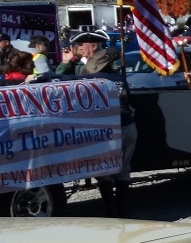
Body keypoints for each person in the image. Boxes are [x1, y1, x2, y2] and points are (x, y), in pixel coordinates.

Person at [58, 30, 136, 214]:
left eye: (81, 45)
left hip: (107, 129)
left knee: (104, 170)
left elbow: (62, 80)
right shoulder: (118, 77)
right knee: (123, 169)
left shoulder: (92, 78)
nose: (78, 49)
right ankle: (122, 211)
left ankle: (112, 211)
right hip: (126, 124)